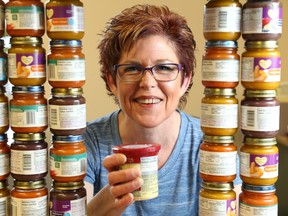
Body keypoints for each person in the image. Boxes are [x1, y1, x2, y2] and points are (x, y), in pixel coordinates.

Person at [84, 4, 241, 216]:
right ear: (112, 81)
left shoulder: (214, 146)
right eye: (132, 68)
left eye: (164, 68)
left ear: (185, 79)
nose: (148, 83)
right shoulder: (86, 142)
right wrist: (105, 203)